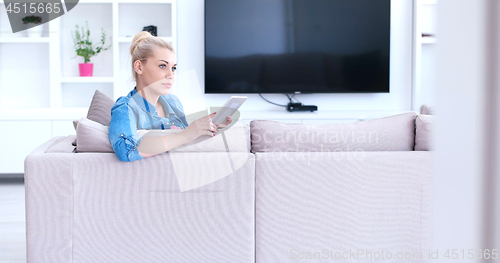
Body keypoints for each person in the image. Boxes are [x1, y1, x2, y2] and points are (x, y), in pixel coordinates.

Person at [108, 31, 231, 162]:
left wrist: (208, 130)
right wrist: (184, 135)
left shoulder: (173, 102)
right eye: (162, 66)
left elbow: (184, 146)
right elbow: (125, 151)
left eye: (173, 68)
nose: (171, 75)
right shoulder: (126, 107)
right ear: (139, 67)